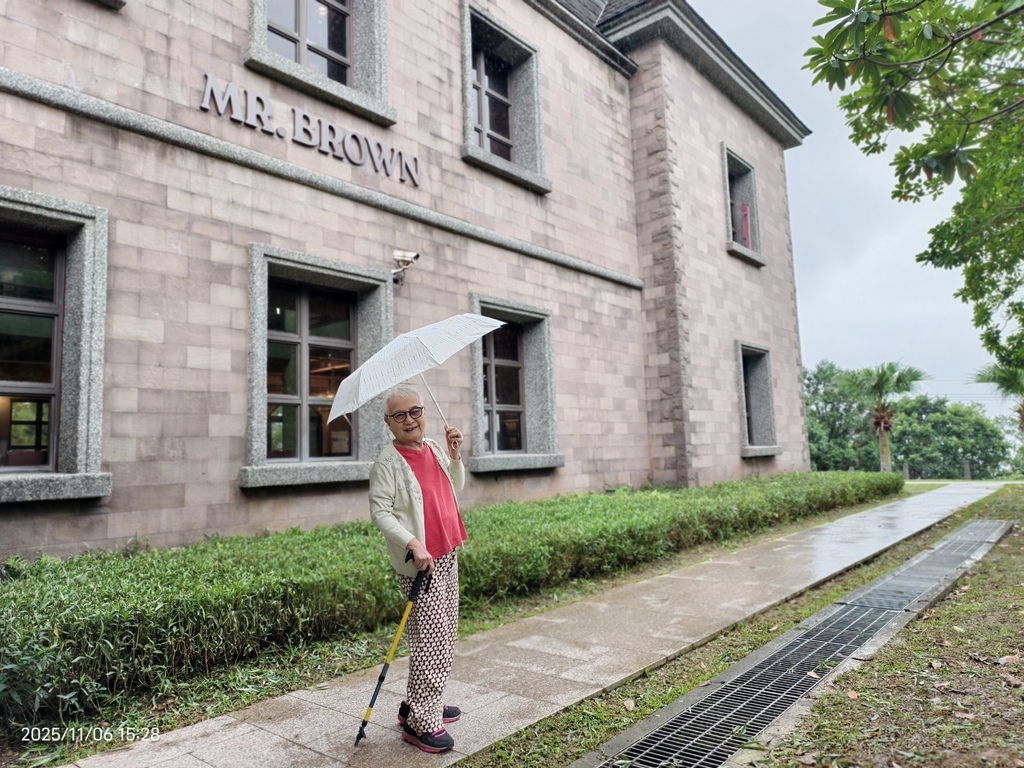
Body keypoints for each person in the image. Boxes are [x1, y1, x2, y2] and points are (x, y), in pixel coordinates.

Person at [368, 383, 467, 753]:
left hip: (446, 551)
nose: (409, 420)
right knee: (432, 641)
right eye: (399, 415)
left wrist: (455, 456)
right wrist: (411, 542)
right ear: (388, 423)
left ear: (423, 413)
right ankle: (421, 723)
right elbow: (380, 512)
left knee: (445, 633)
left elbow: (455, 487)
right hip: (420, 563)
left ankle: (419, 701)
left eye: (415, 412)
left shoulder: (435, 448)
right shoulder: (388, 462)